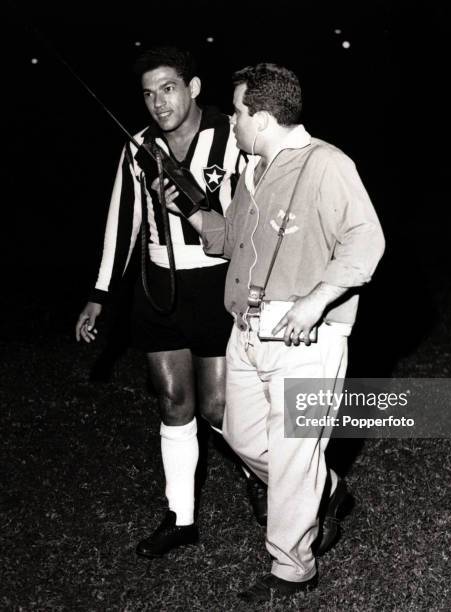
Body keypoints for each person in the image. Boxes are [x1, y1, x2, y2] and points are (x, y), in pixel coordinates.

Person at [164, 63, 385, 602]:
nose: (230, 122)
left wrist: (314, 302)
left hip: (304, 333)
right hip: (246, 330)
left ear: (261, 117)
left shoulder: (328, 165)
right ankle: (323, 488)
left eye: (236, 113)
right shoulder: (251, 170)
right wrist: (190, 211)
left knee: (291, 453)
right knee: (241, 437)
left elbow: (366, 242)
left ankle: (293, 567)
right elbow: (232, 238)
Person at [74, 46, 266, 558]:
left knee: (222, 406)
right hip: (157, 290)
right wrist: (100, 296)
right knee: (173, 403)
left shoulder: (233, 136)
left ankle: (263, 476)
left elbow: (256, 216)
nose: (159, 103)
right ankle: (180, 518)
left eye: (168, 88)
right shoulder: (137, 146)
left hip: (218, 285)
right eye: (148, 93)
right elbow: (123, 224)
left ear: (193, 87)